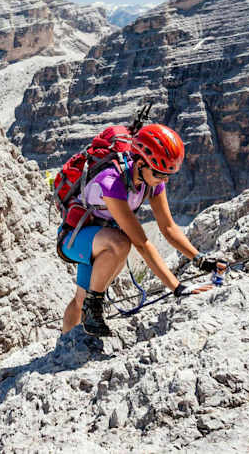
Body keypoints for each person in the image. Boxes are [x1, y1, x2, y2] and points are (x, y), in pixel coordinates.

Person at [59, 123, 221, 337]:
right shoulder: (111, 181)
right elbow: (142, 243)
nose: (164, 181)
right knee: (121, 243)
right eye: (160, 174)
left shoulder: (152, 180)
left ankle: (65, 340)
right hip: (75, 238)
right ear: (141, 163)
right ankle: (93, 308)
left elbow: (168, 227)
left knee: (81, 298)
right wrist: (177, 288)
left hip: (100, 239)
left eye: (167, 176)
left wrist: (200, 259)